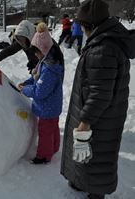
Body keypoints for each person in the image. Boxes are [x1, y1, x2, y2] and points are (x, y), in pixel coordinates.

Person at [60, 0, 135, 198]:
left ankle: (96, 192)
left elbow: (100, 94)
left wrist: (85, 122)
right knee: (92, 155)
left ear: (92, 26)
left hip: (100, 117)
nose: (82, 31)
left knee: (95, 156)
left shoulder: (103, 49)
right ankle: (81, 181)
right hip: (106, 114)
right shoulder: (106, 41)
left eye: (83, 27)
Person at [19, 23, 64, 164]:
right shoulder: (45, 62)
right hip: (52, 107)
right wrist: (26, 83)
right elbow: (35, 78)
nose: (35, 55)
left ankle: (44, 156)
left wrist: (24, 90)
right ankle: (54, 147)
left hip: (47, 108)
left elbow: (39, 92)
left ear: (43, 50)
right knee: (53, 128)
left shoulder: (49, 70)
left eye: (36, 52)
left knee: (45, 132)